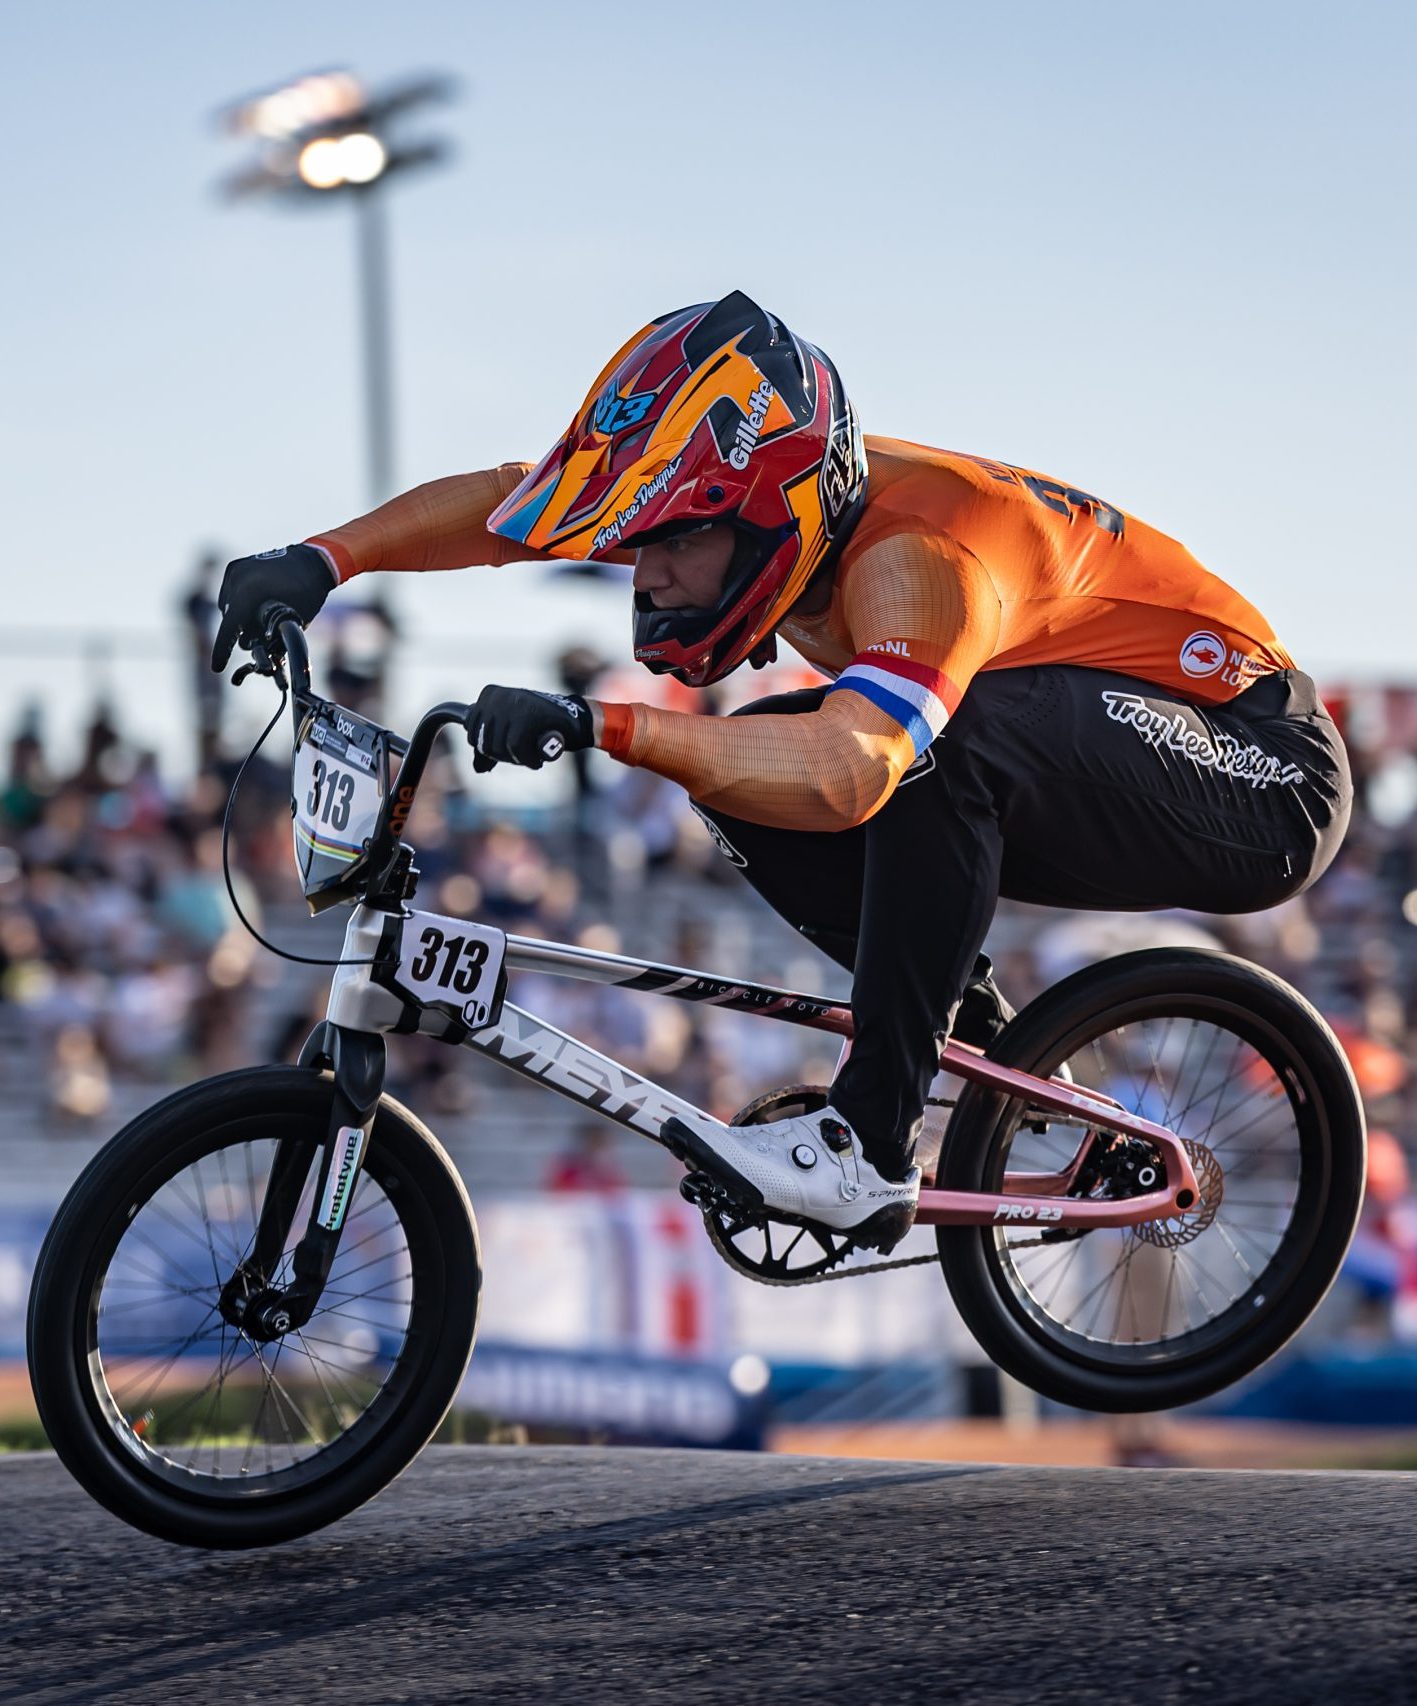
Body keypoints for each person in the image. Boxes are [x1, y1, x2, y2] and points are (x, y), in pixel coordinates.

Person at [211, 290, 1352, 1254]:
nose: (644, 573)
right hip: (1090, 733)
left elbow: (852, 769)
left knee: (927, 747)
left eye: (670, 542)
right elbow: (514, 505)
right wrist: (323, 558)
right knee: (742, 771)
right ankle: (969, 1031)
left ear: (765, 524)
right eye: (640, 542)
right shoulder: (761, 498)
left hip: (1257, 769)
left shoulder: (920, 562)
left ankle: (869, 1141)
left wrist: (598, 723)